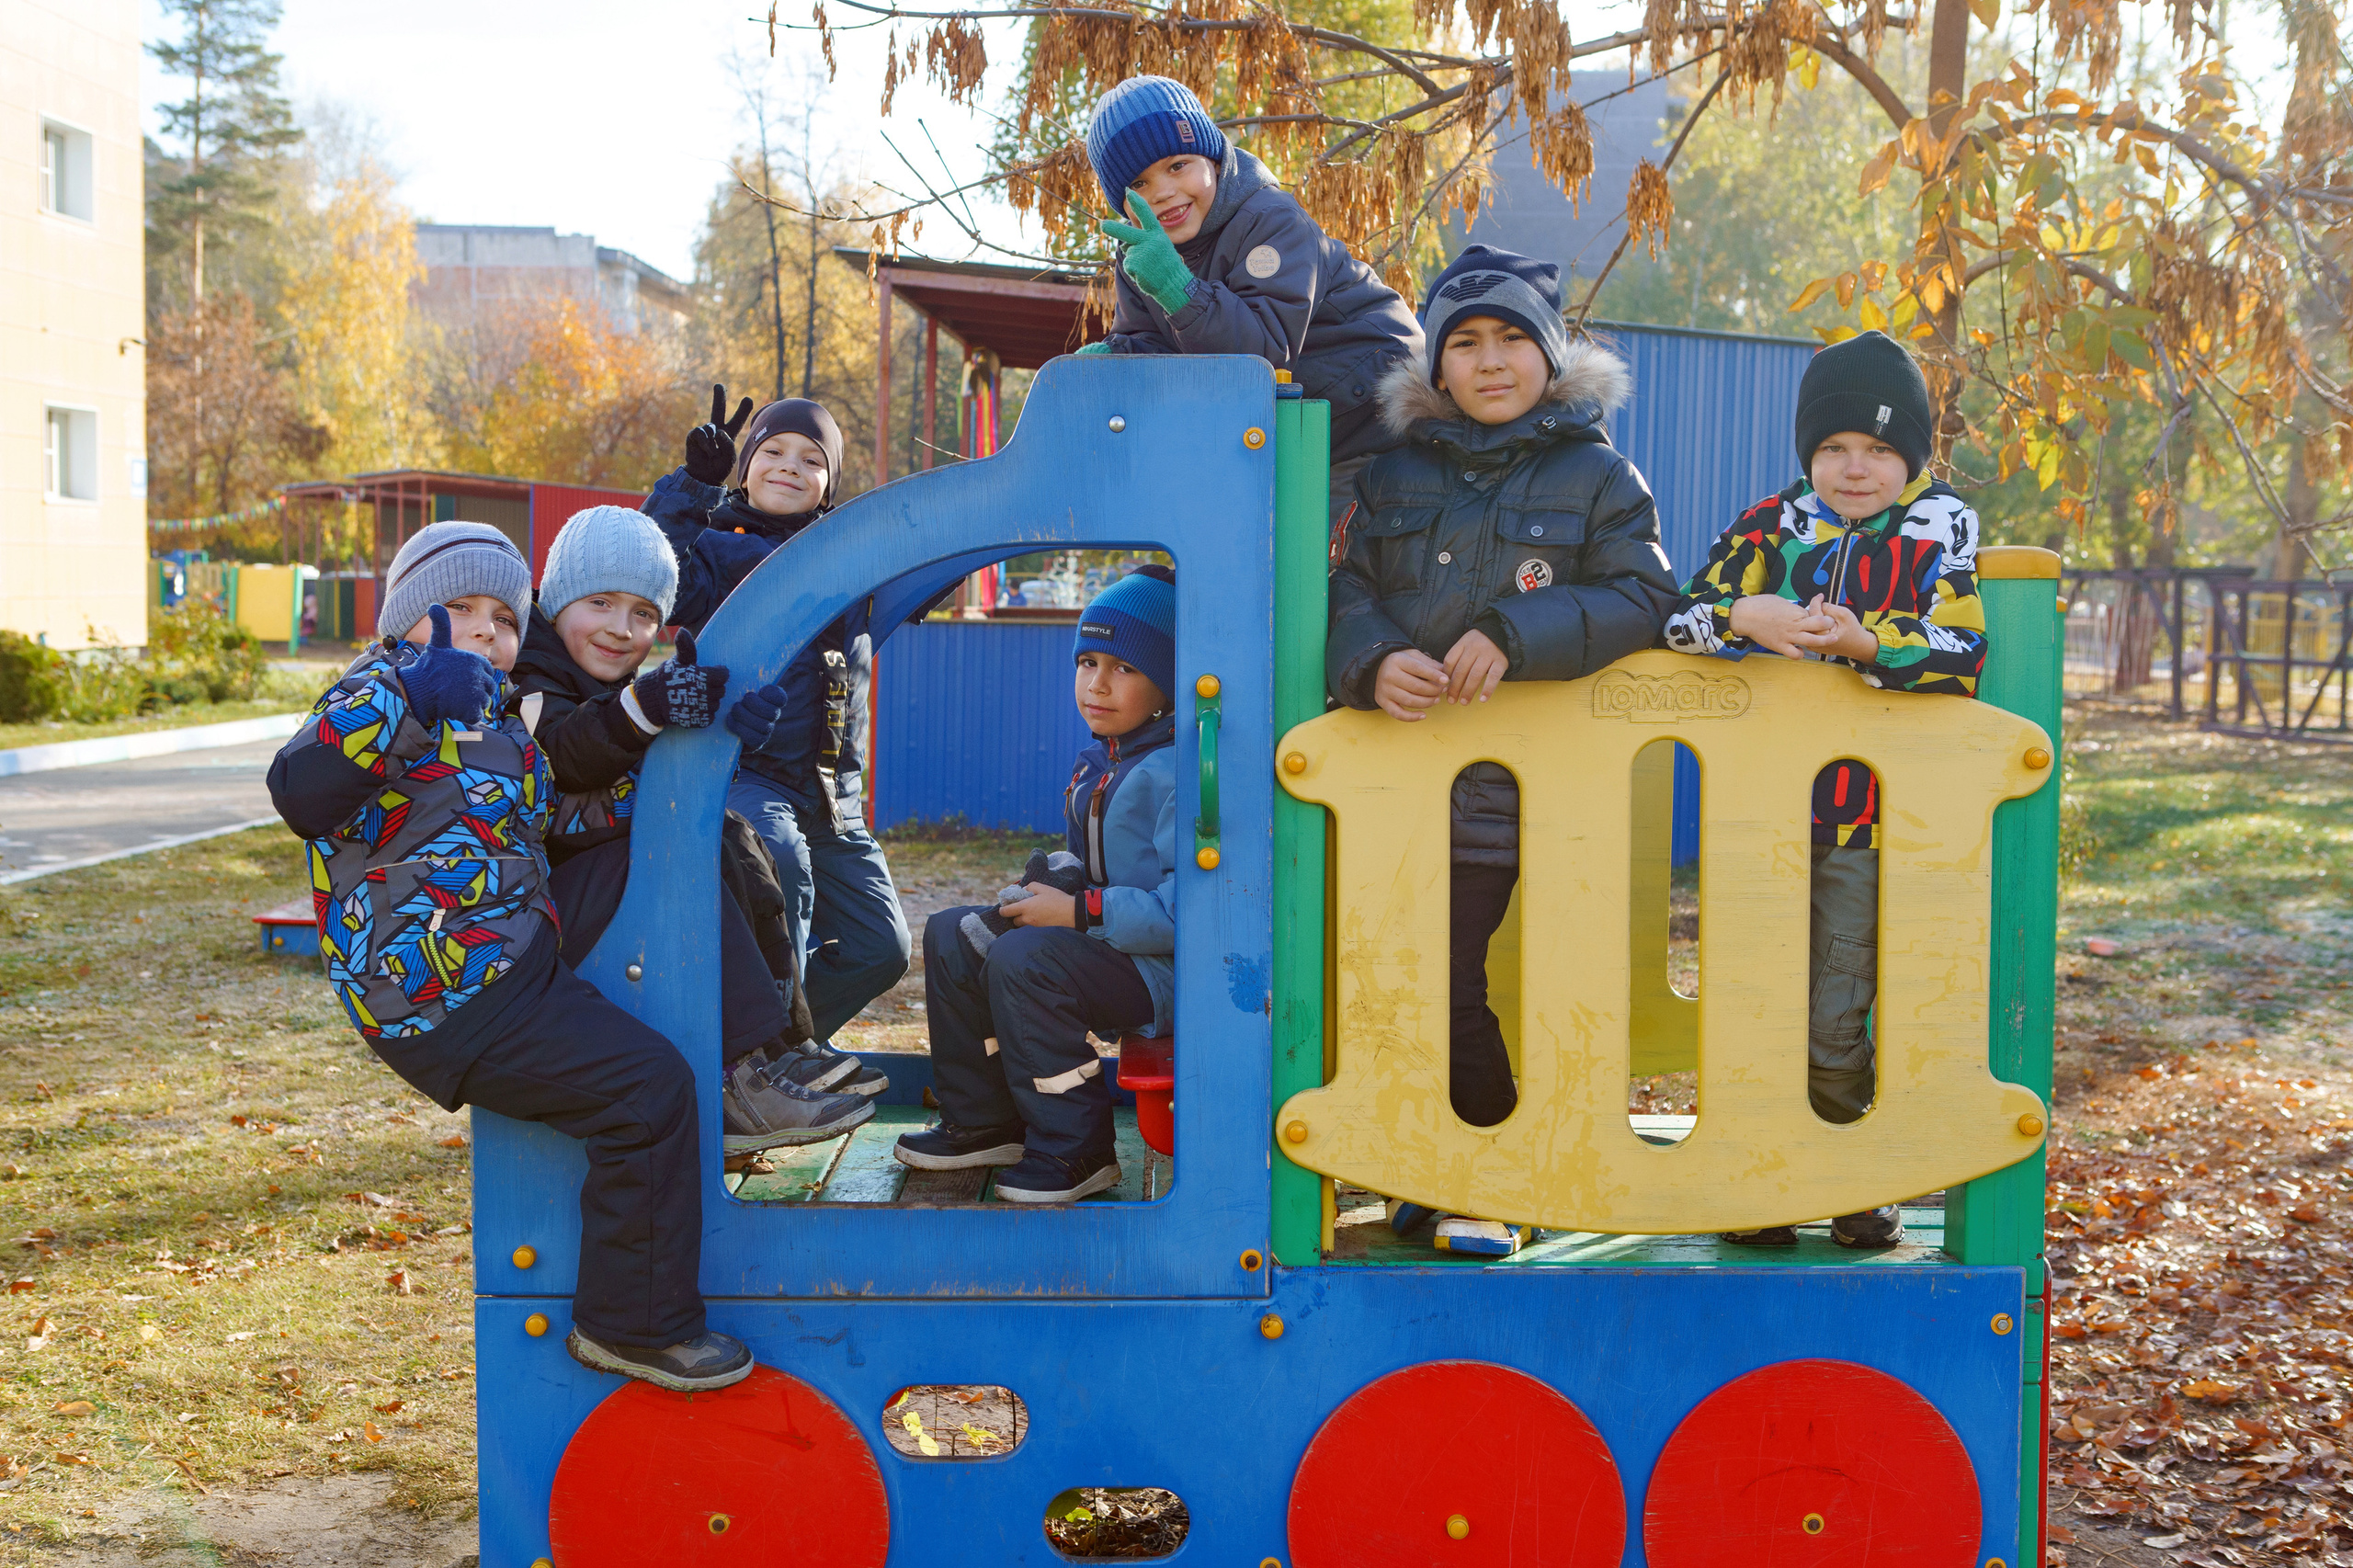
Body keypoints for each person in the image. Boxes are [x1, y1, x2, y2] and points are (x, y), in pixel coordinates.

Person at [264, 522, 749, 1392]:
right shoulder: (377, 689)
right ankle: (630, 1325)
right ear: (407, 619)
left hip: (504, 966)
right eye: (457, 610)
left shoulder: (497, 718)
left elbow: (551, 824)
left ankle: (752, 1083)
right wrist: (411, 698)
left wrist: (674, 779)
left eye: (502, 615)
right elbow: (299, 791)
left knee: (653, 1075)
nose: (484, 630)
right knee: (647, 1093)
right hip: (438, 993)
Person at [1326, 245, 1680, 1256]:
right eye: (1465, 343)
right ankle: (1429, 1162)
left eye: (1512, 338)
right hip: (1396, 775)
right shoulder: (1388, 475)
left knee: (1455, 973)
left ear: (1551, 351)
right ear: (1435, 367)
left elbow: (1646, 596)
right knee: (1387, 975)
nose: (1489, 361)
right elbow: (1336, 582)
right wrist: (1371, 655)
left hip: (1529, 788)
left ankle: (1490, 1176)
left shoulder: (1597, 473)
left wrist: (1516, 631)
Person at [1660, 328, 1988, 1251]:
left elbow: (1965, 654)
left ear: (1911, 456)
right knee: (1750, 990)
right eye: (1836, 447)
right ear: (1809, 452)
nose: (1855, 469)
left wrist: (1868, 643)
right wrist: (1740, 614)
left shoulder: (1941, 526)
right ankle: (1756, 1181)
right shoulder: (1773, 522)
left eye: (1881, 450)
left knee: (1838, 998)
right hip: (1756, 809)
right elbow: (1675, 618)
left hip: (1867, 815)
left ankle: (1847, 1177)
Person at [506, 504, 881, 1156]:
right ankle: (738, 1075)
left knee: (731, 836)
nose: (621, 630)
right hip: (547, 904)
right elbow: (569, 751)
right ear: (558, 599)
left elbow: (642, 753)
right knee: (684, 861)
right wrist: (645, 708)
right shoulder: (530, 679)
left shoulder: (601, 678)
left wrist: (728, 733)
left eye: (644, 614)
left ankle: (780, 1049)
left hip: (597, 879)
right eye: (600, 603)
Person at [642, 389, 910, 1092]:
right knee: (775, 859)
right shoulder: (716, 549)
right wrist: (694, 484)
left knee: (881, 948)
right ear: (745, 467)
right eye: (773, 452)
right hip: (746, 772)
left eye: (812, 459)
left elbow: (928, 564)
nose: (790, 466)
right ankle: (768, 1060)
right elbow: (650, 573)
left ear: (831, 485)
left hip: (831, 794)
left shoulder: (852, 564)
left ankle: (768, 1049)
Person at [893, 567, 1180, 1204]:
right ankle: (985, 1120)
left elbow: (1190, 914)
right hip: (1110, 946)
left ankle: (1078, 1147)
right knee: (950, 934)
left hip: (1165, 974)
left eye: (1124, 668)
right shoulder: (1103, 761)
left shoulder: (1175, 772)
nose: (1097, 684)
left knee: (1028, 962)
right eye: (1087, 661)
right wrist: (1044, 888)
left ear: (1167, 682)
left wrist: (1078, 912)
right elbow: (1087, 864)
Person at [1076, 75, 1425, 517]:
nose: (1163, 192)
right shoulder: (1142, 258)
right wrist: (1112, 358)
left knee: (1301, 556)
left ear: (1215, 160)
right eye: (1139, 185)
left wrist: (1175, 287)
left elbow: (1259, 354)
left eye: (1177, 166)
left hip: (1374, 419)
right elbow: (1153, 345)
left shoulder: (1271, 220)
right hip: (1294, 434)